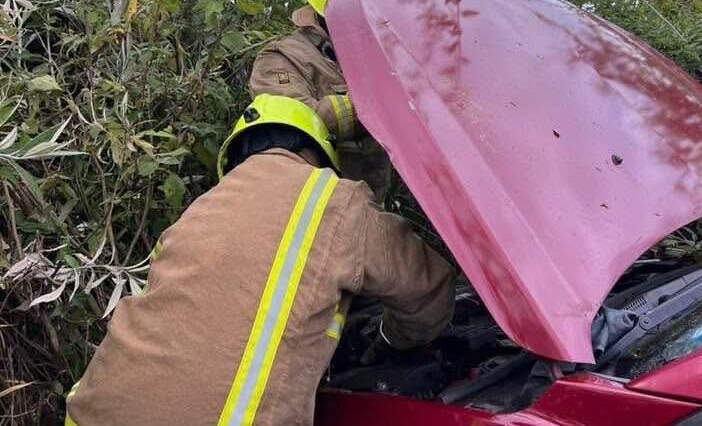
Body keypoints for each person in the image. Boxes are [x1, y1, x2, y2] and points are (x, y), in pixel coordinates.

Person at [65, 94, 455, 426]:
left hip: (89, 411)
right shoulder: (334, 198)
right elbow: (429, 292)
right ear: (318, 151)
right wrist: (388, 339)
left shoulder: (196, 212)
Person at [250, 0, 393, 202]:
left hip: (369, 204)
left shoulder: (369, 55)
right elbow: (292, 124)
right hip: (311, 207)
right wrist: (374, 103)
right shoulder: (282, 58)